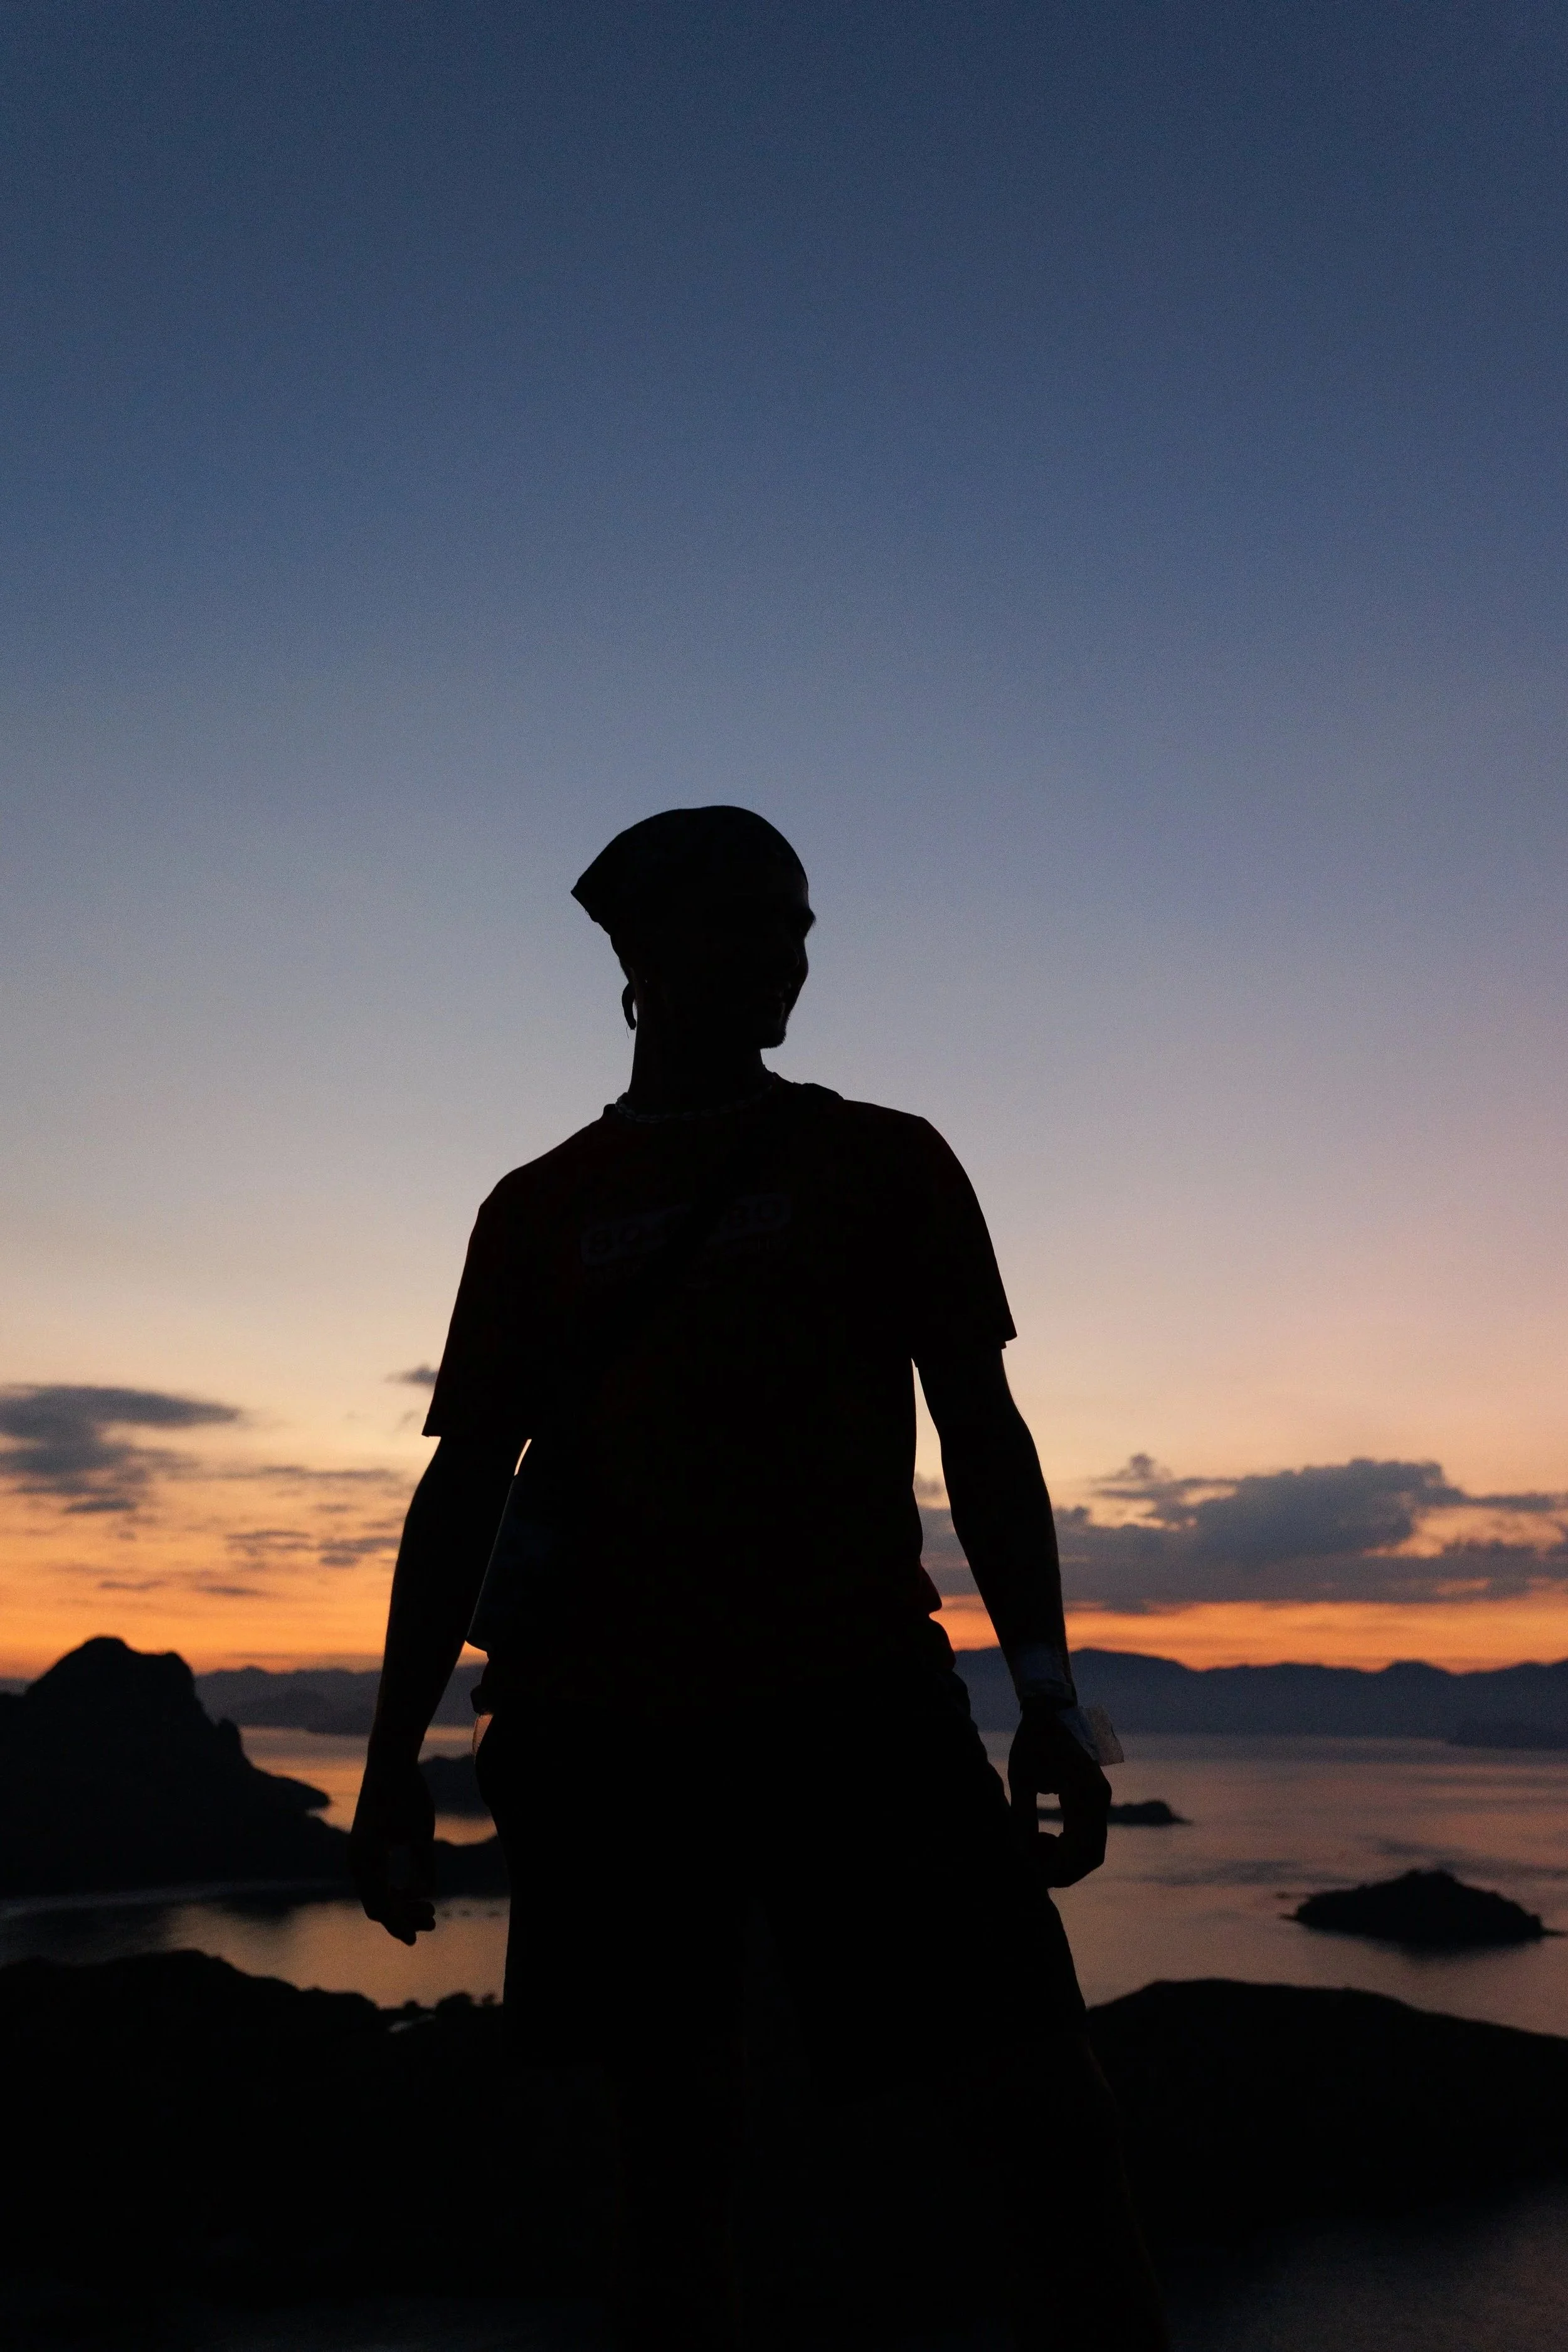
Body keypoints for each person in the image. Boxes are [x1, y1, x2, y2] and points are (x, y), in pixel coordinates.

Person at [352, 807, 1168, 2350]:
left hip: (856, 1702)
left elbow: (982, 1433)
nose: (784, 955)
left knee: (1044, 2123)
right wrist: (390, 1762)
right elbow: (457, 1489)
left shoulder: (884, 1160)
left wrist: (1047, 1693)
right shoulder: (535, 1213)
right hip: (605, 1734)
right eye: (742, 923)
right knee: (669, 2167)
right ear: (636, 955)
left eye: (797, 923)